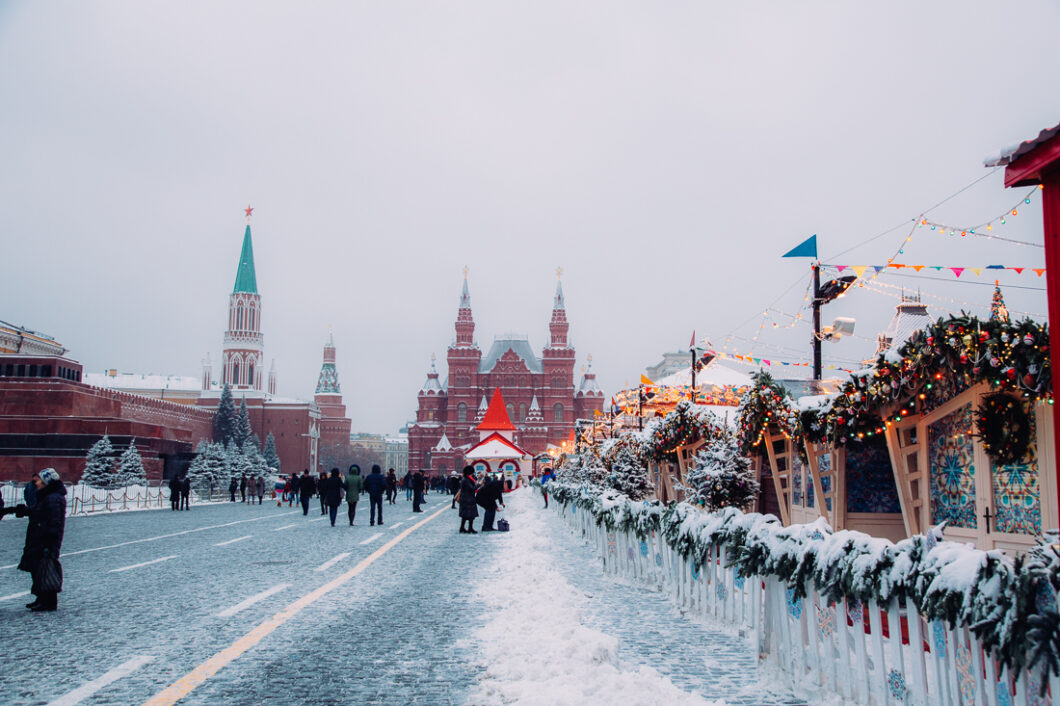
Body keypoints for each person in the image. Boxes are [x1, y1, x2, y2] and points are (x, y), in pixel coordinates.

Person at [15, 468, 67, 611]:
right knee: (37, 567)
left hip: (45, 539)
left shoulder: (52, 498)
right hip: (40, 537)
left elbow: (54, 521)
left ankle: (48, 601)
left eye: (39, 480)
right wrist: (24, 511)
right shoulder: (47, 496)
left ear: (46, 482)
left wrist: (49, 542)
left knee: (45, 568)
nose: (36, 483)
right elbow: (39, 513)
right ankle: (41, 598)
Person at [457, 466, 479, 534]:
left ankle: (462, 528)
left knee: (465, 515)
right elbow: (472, 488)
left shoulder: (466, 479)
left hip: (466, 499)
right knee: (470, 515)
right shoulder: (466, 480)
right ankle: (469, 528)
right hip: (468, 499)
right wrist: (479, 485)